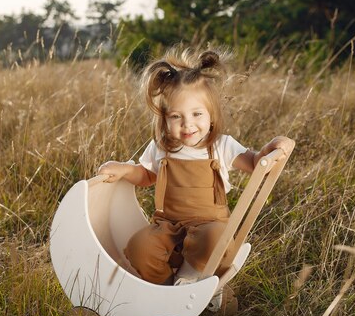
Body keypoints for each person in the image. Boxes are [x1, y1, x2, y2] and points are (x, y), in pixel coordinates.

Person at [98, 48, 294, 303]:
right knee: (139, 247)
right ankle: (164, 288)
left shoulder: (220, 146)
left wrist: (275, 145)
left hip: (208, 224)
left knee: (218, 240)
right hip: (169, 225)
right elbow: (146, 175)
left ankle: (192, 276)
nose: (188, 125)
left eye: (197, 114)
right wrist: (125, 169)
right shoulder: (161, 147)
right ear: (164, 119)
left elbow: (257, 163)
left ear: (211, 115)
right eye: (176, 117)